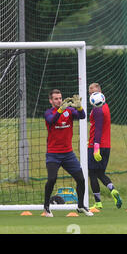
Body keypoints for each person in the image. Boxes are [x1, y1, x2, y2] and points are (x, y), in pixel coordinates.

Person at [43, 89, 93, 217]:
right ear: (51, 101)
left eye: (60, 98)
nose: (59, 100)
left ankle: (81, 206)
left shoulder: (69, 111)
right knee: (52, 179)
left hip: (68, 154)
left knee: (81, 180)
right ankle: (46, 207)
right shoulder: (49, 112)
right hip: (53, 154)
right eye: (56, 98)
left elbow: (82, 116)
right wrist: (60, 110)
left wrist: (80, 107)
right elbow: (52, 120)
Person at [88, 83, 122, 209]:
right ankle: (113, 190)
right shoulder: (105, 106)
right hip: (106, 145)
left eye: (94, 93)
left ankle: (98, 203)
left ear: (100, 93)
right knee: (100, 173)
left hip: (96, 145)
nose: (91, 95)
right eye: (90, 93)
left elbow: (98, 129)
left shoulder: (97, 109)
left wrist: (95, 147)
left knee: (92, 173)